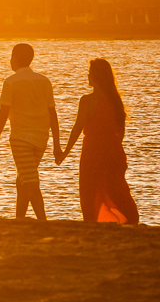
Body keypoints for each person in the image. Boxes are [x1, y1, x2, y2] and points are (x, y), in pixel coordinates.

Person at [60, 58, 140, 224]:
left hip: (93, 151)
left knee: (89, 191)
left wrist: (64, 153)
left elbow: (77, 129)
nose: (88, 76)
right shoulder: (116, 101)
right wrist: (113, 147)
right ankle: (130, 220)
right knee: (117, 190)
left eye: (90, 73)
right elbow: (121, 132)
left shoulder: (87, 100)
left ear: (96, 75)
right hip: (113, 151)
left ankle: (92, 221)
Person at [0, 43, 63, 220]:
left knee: (30, 181)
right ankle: (19, 219)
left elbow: (3, 114)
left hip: (20, 138)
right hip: (41, 139)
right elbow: (53, 114)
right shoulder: (44, 81)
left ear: (14, 59)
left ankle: (42, 221)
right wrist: (56, 145)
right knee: (23, 179)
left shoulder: (10, 82)